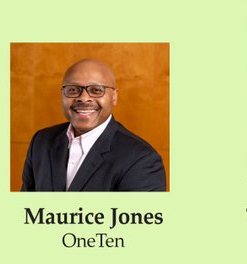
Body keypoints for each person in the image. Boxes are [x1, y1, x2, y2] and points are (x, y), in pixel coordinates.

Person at [21, 58, 166, 191]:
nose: (84, 98)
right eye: (72, 90)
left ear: (114, 97)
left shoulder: (142, 160)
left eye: (96, 90)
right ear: (62, 95)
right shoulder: (41, 142)